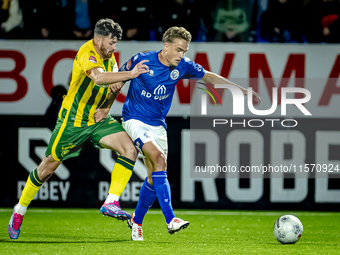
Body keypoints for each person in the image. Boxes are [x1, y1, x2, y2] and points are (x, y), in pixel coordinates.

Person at [111, 26, 261, 241]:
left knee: (154, 175)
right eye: (179, 50)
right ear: (166, 46)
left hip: (158, 125)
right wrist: (106, 103)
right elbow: (119, 78)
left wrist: (239, 89)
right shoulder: (142, 60)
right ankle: (171, 219)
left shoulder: (183, 65)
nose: (182, 55)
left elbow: (208, 77)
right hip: (134, 119)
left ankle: (137, 221)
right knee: (158, 158)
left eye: (185, 51)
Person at [8, 18, 149, 240]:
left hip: (98, 118)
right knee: (46, 168)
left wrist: (106, 107)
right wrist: (130, 74)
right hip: (73, 121)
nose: (114, 48)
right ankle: (20, 210)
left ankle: (111, 201)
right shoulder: (87, 52)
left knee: (130, 150)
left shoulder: (109, 58)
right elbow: (99, 78)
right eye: (111, 43)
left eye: (115, 44)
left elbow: (112, 87)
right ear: (98, 39)